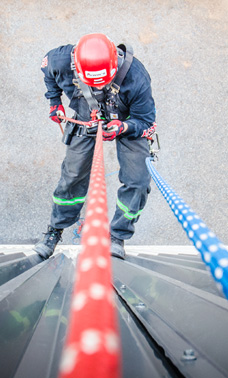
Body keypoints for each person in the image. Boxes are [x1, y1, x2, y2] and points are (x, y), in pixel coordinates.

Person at [34, 33, 156, 260]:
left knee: (138, 182)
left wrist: (123, 127)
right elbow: (49, 75)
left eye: (103, 81)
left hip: (127, 120)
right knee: (72, 176)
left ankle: (117, 235)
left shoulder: (136, 77)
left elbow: (145, 120)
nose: (98, 86)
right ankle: (55, 228)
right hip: (85, 115)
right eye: (93, 82)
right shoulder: (59, 60)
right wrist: (54, 102)